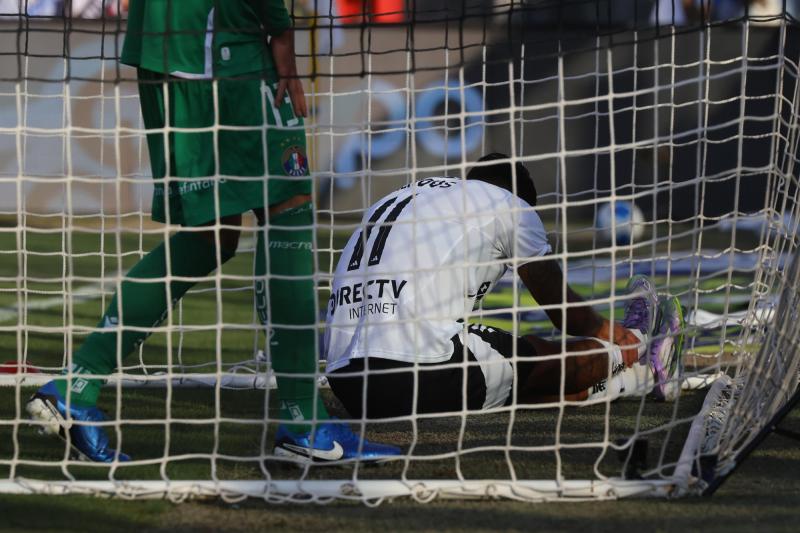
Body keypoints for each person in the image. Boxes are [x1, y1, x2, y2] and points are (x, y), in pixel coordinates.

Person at [26, 0, 399, 463]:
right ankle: (305, 425)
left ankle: (75, 387)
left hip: (165, 49)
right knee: (288, 207)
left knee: (213, 233)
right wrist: (280, 33)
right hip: (222, 49)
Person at [324, 153, 684, 419]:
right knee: (540, 357)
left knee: (508, 375)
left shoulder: (410, 193)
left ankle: (632, 381)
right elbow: (566, 314)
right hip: (415, 370)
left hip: (347, 381)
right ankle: (645, 347)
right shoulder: (512, 207)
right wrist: (616, 335)